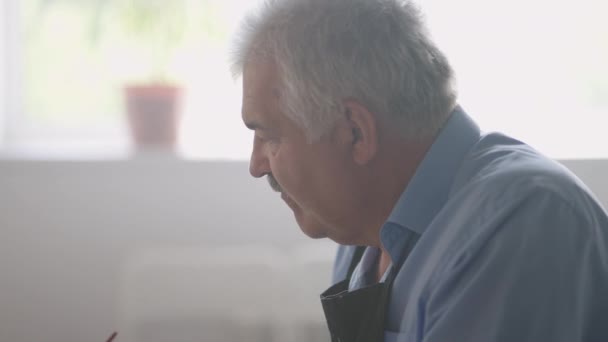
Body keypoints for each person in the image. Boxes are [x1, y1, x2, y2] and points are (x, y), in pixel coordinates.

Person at [231, 0, 608, 341]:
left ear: (355, 131)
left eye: (268, 136)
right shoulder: (365, 238)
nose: (256, 165)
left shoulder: (521, 221)